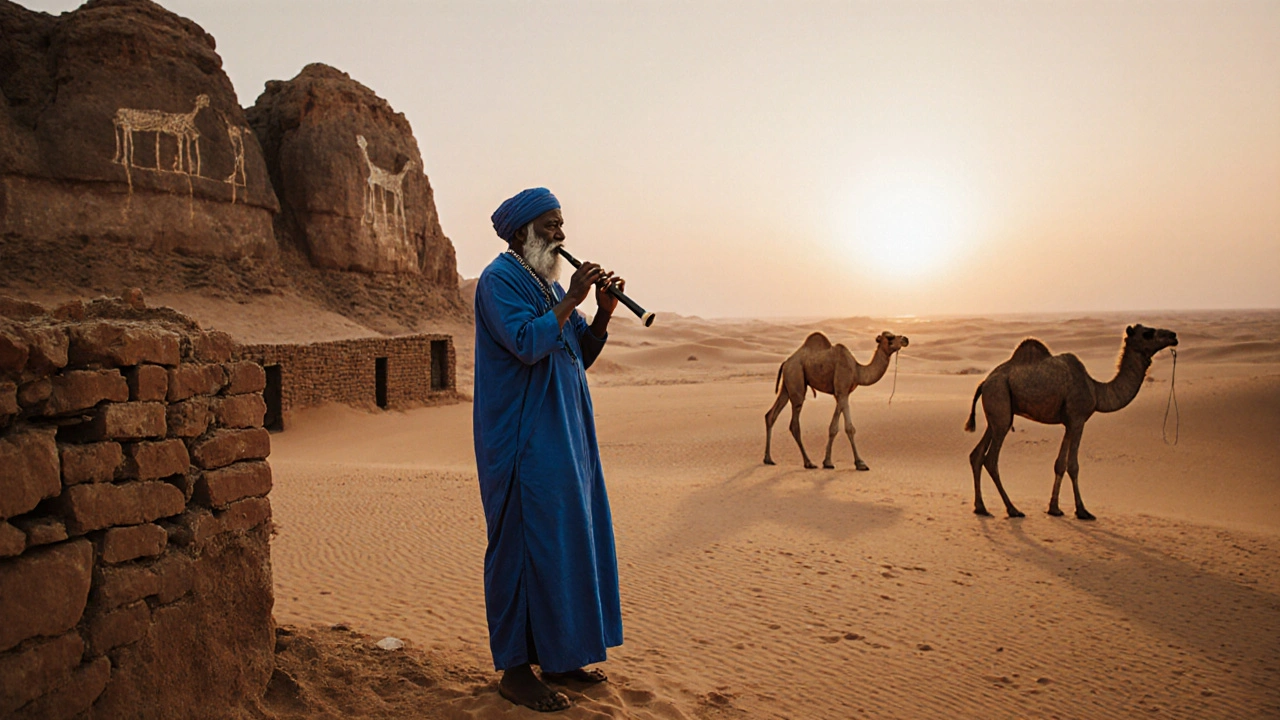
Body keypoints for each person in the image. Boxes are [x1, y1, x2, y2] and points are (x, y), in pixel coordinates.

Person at [473, 187, 625, 712]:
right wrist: (570, 302)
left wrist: (601, 312)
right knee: (519, 550)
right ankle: (515, 671)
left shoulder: (542, 282)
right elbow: (526, 343)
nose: (561, 236)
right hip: (521, 442)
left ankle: (560, 657)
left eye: (562, 225)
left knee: (563, 545)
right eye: (550, 226)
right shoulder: (499, 282)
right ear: (521, 233)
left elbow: (576, 353)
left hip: (564, 440)